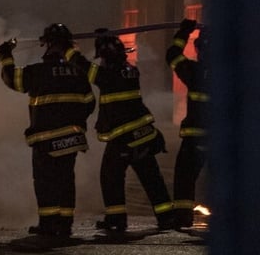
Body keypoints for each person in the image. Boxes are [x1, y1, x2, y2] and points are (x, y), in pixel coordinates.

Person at [69, 32, 178, 233]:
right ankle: (166, 216)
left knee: (110, 177)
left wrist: (68, 49)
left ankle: (116, 220)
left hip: (122, 138)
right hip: (142, 134)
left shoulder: (108, 75)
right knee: (151, 176)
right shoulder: (130, 70)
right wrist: (106, 38)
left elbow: (84, 67)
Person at [0, 23, 96, 238]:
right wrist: (73, 121)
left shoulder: (38, 72)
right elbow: (89, 103)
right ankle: (65, 224)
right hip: (71, 138)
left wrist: (5, 56)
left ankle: (49, 224)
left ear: (47, 45)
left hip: (46, 139)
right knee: (66, 180)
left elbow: (12, 79)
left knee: (45, 182)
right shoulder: (78, 73)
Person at [166, 18, 209, 228]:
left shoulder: (194, 72)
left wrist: (184, 31)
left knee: (184, 177)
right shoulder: (232, 75)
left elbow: (172, 55)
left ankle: (183, 217)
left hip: (195, 137)